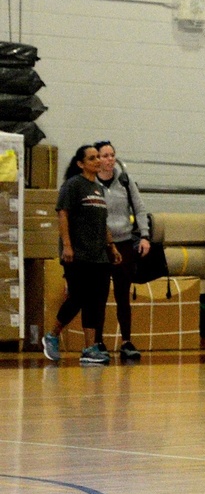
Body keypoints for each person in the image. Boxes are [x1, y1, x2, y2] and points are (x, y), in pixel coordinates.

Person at [42, 145, 122, 365]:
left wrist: (111, 246)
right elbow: (63, 215)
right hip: (78, 255)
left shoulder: (98, 188)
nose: (98, 161)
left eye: (99, 157)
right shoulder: (73, 185)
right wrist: (67, 246)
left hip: (99, 256)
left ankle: (89, 348)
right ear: (80, 163)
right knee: (78, 297)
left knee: (96, 302)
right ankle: (52, 334)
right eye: (92, 158)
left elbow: (101, 221)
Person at [94, 140, 150, 360]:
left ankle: (126, 341)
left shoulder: (125, 181)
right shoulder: (91, 184)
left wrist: (144, 235)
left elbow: (139, 207)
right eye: (104, 155)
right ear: (96, 159)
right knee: (98, 294)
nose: (109, 159)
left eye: (112, 155)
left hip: (124, 242)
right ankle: (98, 341)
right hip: (100, 245)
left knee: (122, 295)